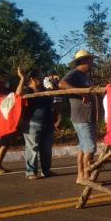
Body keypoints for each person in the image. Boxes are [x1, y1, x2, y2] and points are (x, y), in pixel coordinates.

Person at [59, 49, 97, 183]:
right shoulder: (74, 73)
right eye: (90, 60)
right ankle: (86, 176)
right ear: (84, 61)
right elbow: (62, 84)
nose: (92, 63)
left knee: (83, 147)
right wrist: (81, 93)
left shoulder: (85, 76)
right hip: (81, 117)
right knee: (90, 147)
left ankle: (81, 175)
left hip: (87, 117)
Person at [17, 68, 54, 179]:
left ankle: (46, 171)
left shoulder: (45, 89)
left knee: (46, 149)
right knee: (32, 148)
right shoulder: (28, 90)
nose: (42, 78)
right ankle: (31, 172)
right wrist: (22, 78)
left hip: (48, 122)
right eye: (40, 76)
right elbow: (18, 94)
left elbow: (54, 102)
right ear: (33, 78)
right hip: (33, 123)